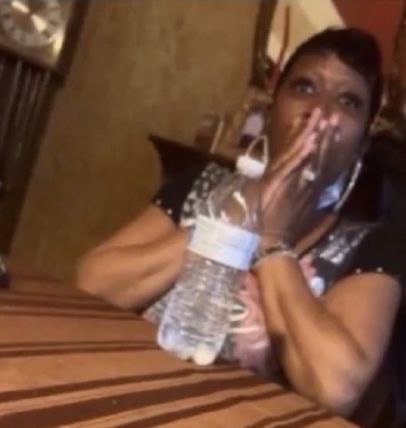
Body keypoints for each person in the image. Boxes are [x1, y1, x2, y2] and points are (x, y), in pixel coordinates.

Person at [76, 28, 401, 421]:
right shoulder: (202, 186)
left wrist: (274, 241)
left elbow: (334, 388)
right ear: (271, 111)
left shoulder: (373, 245)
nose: (320, 114)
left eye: (348, 102)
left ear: (362, 144)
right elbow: (92, 286)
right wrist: (244, 212)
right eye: (305, 87)